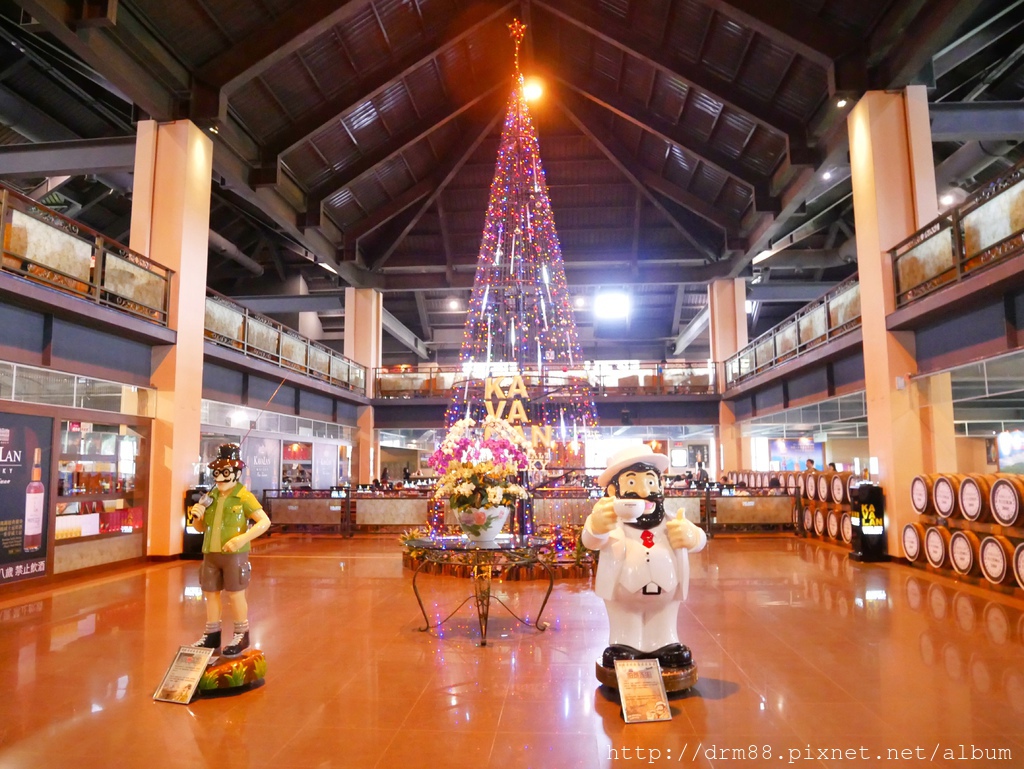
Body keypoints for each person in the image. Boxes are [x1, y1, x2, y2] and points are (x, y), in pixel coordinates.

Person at [581, 444, 707, 672]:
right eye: (631, 482)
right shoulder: (611, 524)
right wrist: (597, 526)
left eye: (650, 482)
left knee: (664, 623)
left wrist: (692, 536)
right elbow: (590, 540)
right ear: (613, 491)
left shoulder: (673, 521)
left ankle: (664, 641)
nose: (644, 492)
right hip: (623, 597)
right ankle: (626, 642)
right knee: (625, 630)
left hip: (666, 598)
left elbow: (699, 539)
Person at [188, 443, 271, 657]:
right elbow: (201, 527)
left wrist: (242, 538)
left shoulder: (244, 497)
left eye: (225, 472)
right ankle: (212, 634)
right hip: (211, 553)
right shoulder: (211, 498)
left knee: (235, 594)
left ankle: (241, 634)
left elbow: (264, 522)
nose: (220, 477)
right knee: (210, 593)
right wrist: (197, 517)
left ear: (236, 473)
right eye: (217, 472)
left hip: (234, 555)